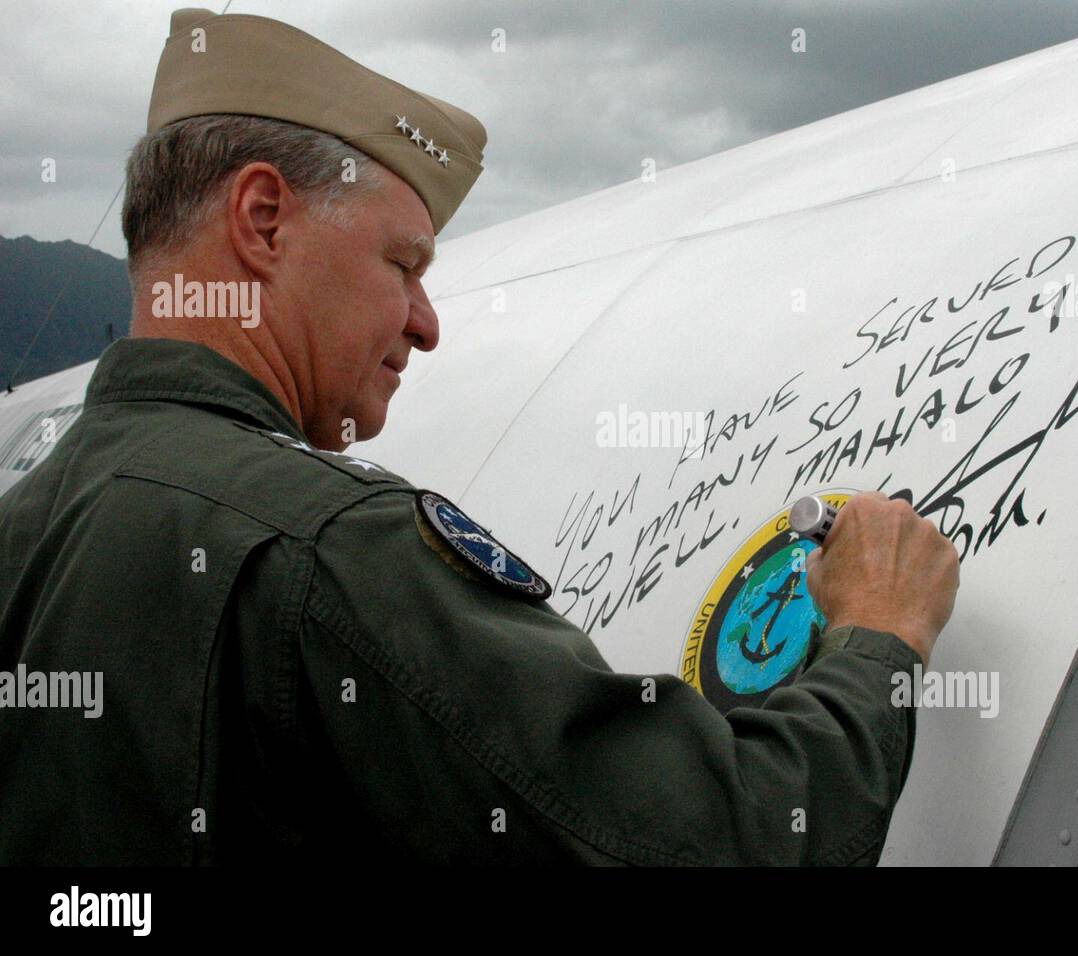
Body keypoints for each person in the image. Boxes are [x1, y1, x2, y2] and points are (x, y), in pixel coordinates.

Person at [0, 7, 960, 865]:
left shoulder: (29, 520)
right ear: (262, 220)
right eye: (402, 263)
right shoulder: (328, 548)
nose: (425, 322)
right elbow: (722, 841)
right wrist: (878, 635)